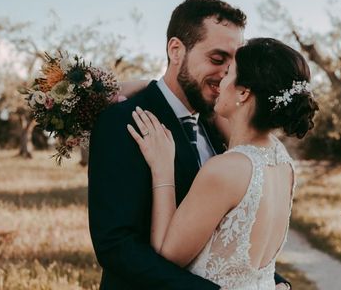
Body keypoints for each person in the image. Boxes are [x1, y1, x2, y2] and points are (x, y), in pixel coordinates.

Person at [88, 0, 292, 289]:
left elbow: (227, 237)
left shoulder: (221, 125)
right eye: (217, 59)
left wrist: (271, 282)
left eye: (235, 65)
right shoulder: (123, 121)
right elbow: (116, 246)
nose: (225, 75)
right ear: (176, 50)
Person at [128, 38, 318, 290]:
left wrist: (163, 168)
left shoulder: (225, 170)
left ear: (243, 92)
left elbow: (166, 256)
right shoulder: (281, 160)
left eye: (228, 73)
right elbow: (232, 121)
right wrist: (155, 89)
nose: (220, 81)